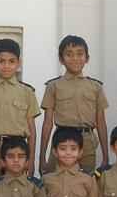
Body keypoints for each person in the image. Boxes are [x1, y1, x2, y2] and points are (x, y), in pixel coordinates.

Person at [40, 34, 109, 174]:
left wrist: (106, 156)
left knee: (86, 180)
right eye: (69, 54)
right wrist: (42, 157)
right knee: (55, 181)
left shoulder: (95, 87)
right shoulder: (54, 86)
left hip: (87, 142)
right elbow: (47, 123)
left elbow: (101, 122)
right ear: (61, 59)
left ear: (87, 58)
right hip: (61, 140)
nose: (75, 58)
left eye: (80, 54)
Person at [0, 38, 40, 176]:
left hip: (18, 150)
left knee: (16, 186)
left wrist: (31, 160)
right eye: (1, 61)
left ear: (18, 63)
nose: (6, 66)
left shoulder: (27, 92)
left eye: (11, 61)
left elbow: (31, 130)